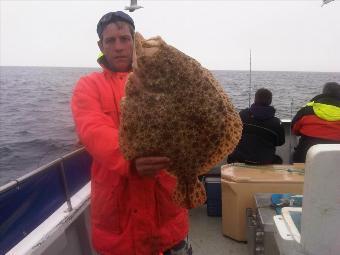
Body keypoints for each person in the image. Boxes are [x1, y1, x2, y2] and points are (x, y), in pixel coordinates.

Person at [71, 11, 191, 255]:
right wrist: (131, 160)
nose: (118, 47)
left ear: (134, 40)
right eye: (110, 41)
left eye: (124, 39)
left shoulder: (163, 78)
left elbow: (187, 115)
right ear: (100, 45)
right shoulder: (88, 86)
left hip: (167, 217)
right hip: (119, 226)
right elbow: (92, 130)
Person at [227, 88, 285, 164]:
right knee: (278, 160)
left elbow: (233, 133)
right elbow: (280, 142)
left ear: (255, 99)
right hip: (264, 161)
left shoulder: (242, 115)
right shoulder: (276, 123)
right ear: (270, 101)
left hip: (240, 158)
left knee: (231, 156)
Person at [292, 82, 340, 163]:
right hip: (336, 161)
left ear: (324, 92)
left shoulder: (307, 109)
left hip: (305, 158)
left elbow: (294, 130)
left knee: (294, 155)